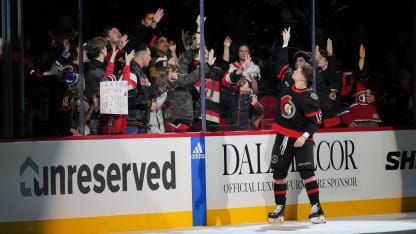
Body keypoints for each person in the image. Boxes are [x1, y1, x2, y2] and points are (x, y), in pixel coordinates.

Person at [268, 27, 326, 224]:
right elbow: (281, 65)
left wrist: (304, 136)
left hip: (302, 137)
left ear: (303, 78)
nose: (294, 69)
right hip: (284, 135)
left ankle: (317, 210)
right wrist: (285, 43)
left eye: (298, 70)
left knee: (307, 173)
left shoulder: (309, 98)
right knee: (278, 172)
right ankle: (279, 208)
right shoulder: (286, 80)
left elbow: (316, 120)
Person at [125, 43, 155, 134]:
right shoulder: (131, 71)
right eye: (149, 55)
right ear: (142, 56)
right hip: (131, 123)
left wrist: (167, 81)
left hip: (140, 122)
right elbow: (130, 96)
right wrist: (149, 104)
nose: (150, 58)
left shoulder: (142, 74)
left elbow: (151, 93)